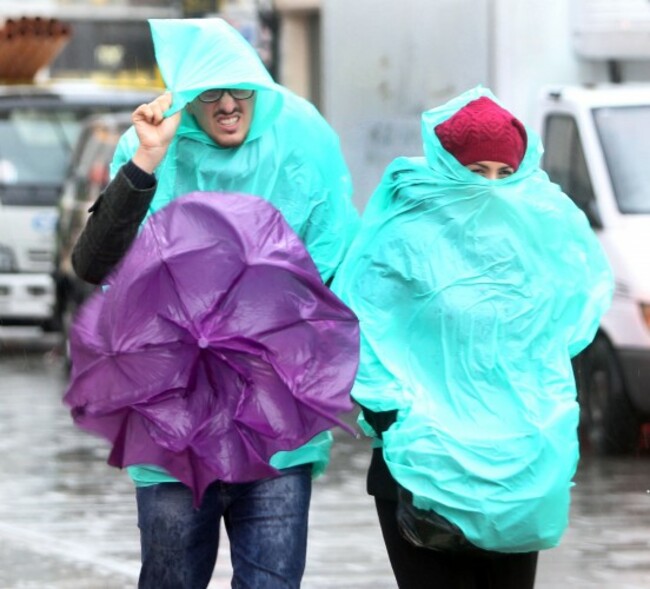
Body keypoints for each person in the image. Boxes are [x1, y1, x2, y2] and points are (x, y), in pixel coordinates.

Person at [70, 18, 358, 589]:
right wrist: (145, 164)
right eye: (210, 92)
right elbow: (92, 264)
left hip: (276, 429)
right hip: (171, 426)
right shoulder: (151, 146)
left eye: (240, 89)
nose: (228, 105)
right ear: (187, 98)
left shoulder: (302, 139)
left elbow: (339, 268)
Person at [331, 87, 613, 588]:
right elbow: (360, 324)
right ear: (447, 167)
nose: (490, 187)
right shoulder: (403, 234)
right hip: (422, 460)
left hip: (518, 465)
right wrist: (394, 415)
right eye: (476, 171)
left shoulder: (538, 239)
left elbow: (563, 329)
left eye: (505, 173)